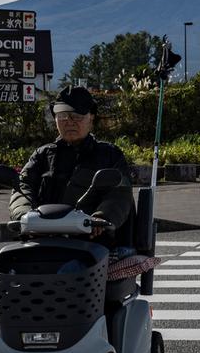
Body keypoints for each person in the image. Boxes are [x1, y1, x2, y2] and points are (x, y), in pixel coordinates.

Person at [10, 85, 134, 244]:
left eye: (77, 116)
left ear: (91, 117)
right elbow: (22, 186)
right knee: (6, 264)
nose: (69, 122)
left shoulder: (110, 155)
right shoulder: (42, 155)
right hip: (41, 238)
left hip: (91, 241)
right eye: (62, 116)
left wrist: (101, 217)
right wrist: (23, 215)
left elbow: (120, 194)